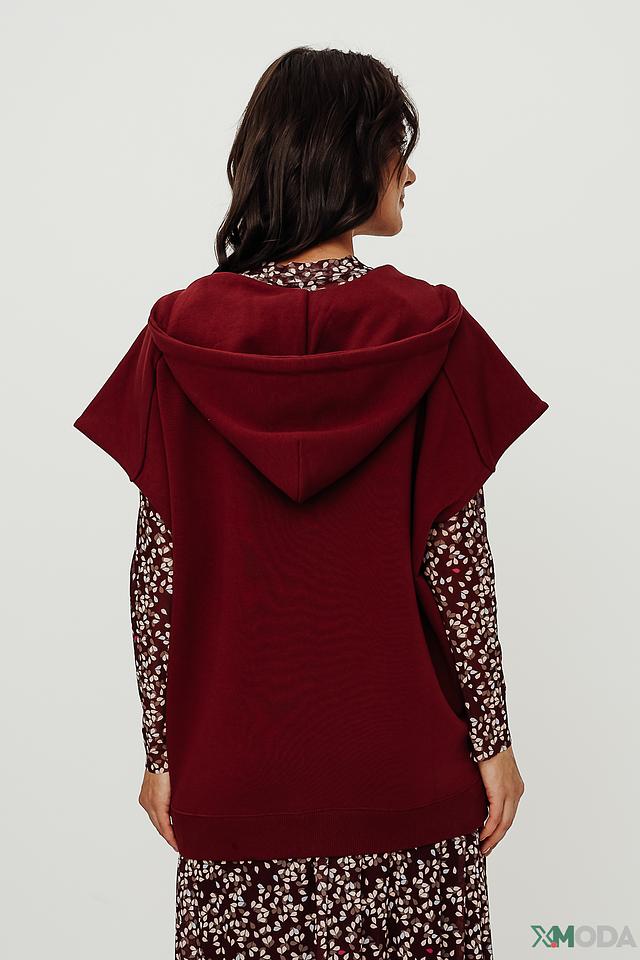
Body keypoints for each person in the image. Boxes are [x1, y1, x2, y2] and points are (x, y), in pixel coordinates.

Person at [74, 45, 549, 960]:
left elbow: (157, 576)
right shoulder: (432, 332)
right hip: (406, 776)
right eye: (397, 151)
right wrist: (492, 739)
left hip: (238, 775)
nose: (410, 174)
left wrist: (162, 751)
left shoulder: (180, 342)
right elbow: (456, 565)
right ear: (348, 157)